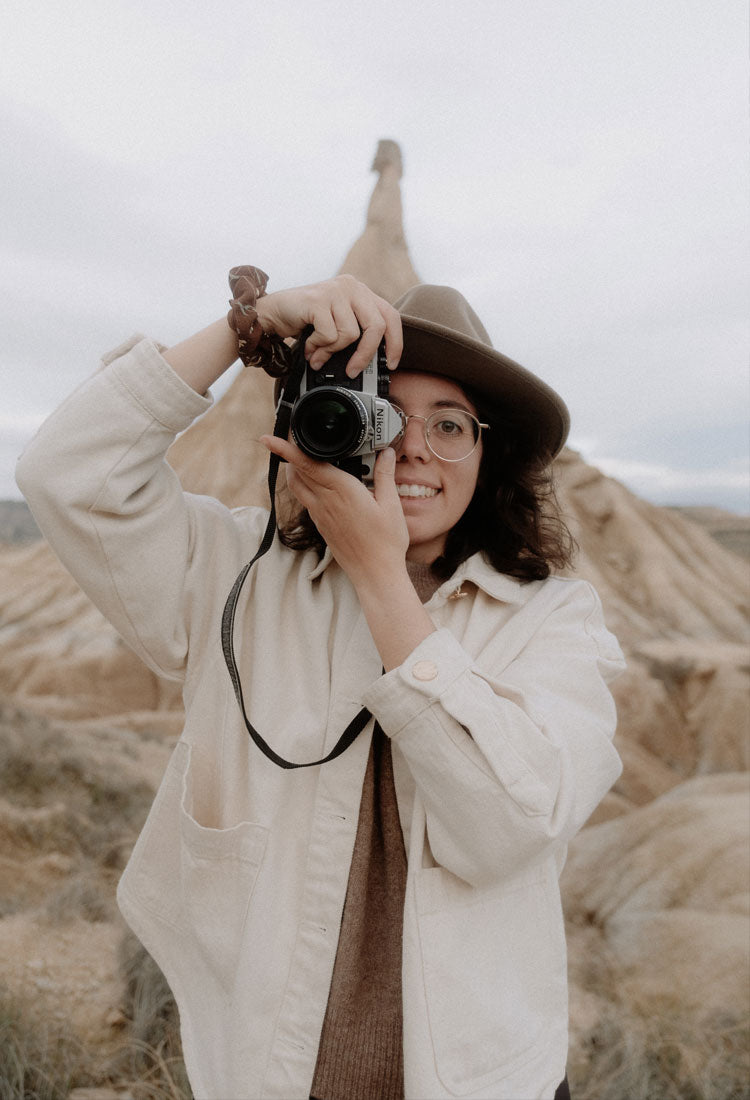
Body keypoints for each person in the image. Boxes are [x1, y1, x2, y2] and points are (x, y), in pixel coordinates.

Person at [16, 272, 625, 1100]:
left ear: (491, 457)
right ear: (323, 423)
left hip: (486, 1081)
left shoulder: (554, 619)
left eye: (450, 425)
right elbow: (68, 474)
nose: (413, 447)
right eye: (384, 414)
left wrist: (378, 575)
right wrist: (248, 327)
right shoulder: (238, 577)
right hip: (266, 1071)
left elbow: (512, 826)